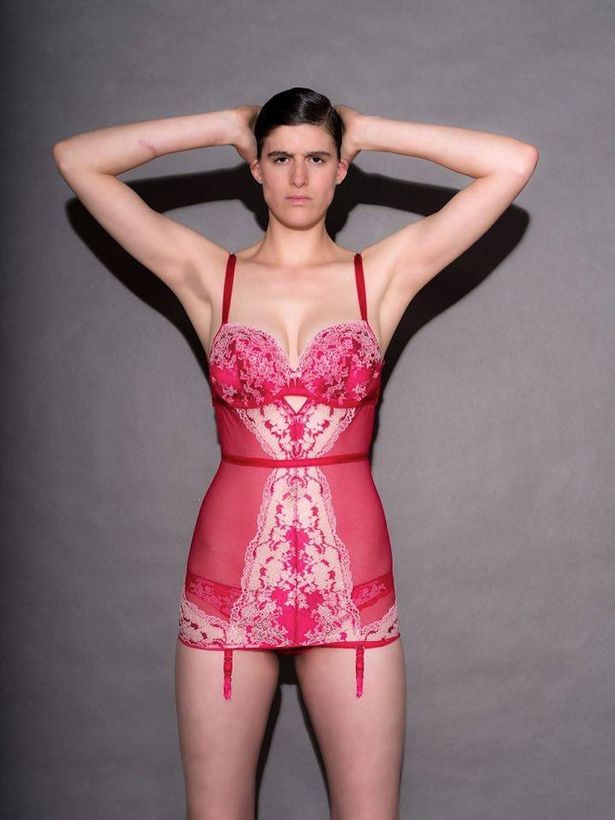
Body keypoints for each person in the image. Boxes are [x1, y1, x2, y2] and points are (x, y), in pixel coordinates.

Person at [52, 87, 538, 820]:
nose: (300, 177)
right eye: (280, 158)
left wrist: (367, 128)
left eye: (317, 158)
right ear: (255, 167)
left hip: (351, 576)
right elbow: (77, 161)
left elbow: (512, 163)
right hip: (228, 570)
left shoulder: (380, 275)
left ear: (342, 168)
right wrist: (226, 124)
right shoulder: (208, 274)